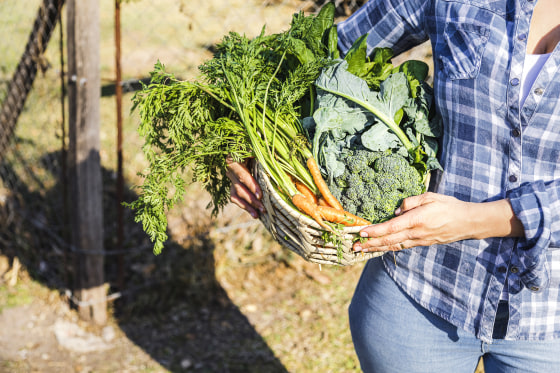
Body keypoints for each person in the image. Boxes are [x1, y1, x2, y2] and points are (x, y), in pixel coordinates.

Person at [227, 0, 560, 371]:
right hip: (418, 289)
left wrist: (473, 220)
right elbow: (318, 52)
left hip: (548, 322)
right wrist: (237, 137)